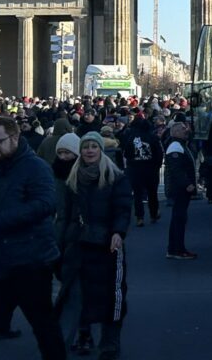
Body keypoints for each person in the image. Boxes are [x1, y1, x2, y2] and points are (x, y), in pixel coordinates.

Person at [0, 116, 65, 359]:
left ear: (15, 138)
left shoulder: (36, 167)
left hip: (30, 262)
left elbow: (44, 204)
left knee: (44, 328)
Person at [56, 131, 131, 360]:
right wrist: (60, 242)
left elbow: (122, 207)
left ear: (100, 150)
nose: (89, 150)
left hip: (107, 244)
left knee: (112, 296)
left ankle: (110, 343)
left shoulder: (115, 177)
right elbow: (66, 214)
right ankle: (76, 338)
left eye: (93, 147)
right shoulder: (73, 179)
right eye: (86, 147)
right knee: (76, 294)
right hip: (78, 244)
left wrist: (118, 232)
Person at [121, 115, 163, 227]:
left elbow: (127, 153)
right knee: (152, 192)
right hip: (151, 168)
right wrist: (157, 166)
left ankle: (140, 217)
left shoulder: (131, 137)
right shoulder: (152, 137)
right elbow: (159, 153)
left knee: (137, 194)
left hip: (135, 168)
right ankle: (154, 213)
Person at [164, 121, 197, 260]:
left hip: (180, 188)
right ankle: (178, 249)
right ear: (176, 132)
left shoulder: (180, 145)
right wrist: (187, 184)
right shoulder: (175, 146)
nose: (186, 131)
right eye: (183, 129)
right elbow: (176, 169)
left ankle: (174, 249)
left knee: (179, 218)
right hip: (179, 189)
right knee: (179, 219)